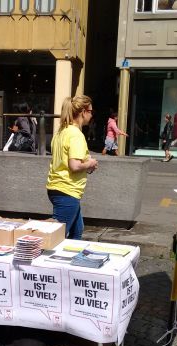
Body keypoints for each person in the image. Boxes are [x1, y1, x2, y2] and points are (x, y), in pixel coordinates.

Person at [46, 95, 98, 240]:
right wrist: (91, 163)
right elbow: (74, 165)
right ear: (83, 112)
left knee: (77, 231)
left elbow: (65, 162)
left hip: (58, 188)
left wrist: (86, 165)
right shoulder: (76, 135)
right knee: (55, 237)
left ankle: (71, 259)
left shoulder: (61, 132)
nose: (91, 115)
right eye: (91, 111)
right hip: (67, 191)